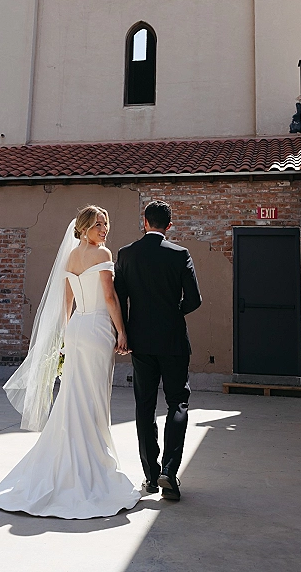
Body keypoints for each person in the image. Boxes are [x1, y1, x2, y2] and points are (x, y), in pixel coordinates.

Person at [0, 205, 141, 519]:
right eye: (99, 224)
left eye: (106, 224)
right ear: (84, 227)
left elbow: (67, 302)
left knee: (73, 394)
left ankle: (66, 458)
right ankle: (93, 462)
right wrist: (122, 331)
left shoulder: (70, 257)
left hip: (77, 329)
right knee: (95, 397)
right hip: (97, 328)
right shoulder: (103, 255)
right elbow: (110, 298)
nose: (104, 229)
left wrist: (65, 333)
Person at [114, 200, 202, 501]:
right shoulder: (180, 254)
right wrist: (173, 312)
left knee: (145, 405)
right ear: (169, 225)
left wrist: (123, 333)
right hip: (174, 340)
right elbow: (194, 300)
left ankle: (151, 477)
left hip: (140, 341)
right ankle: (170, 472)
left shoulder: (126, 254)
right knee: (178, 402)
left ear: (145, 222)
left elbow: (119, 299)